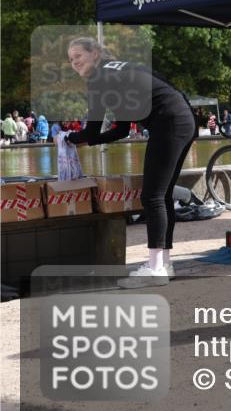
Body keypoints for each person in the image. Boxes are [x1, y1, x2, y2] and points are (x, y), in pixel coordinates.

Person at [65, 37, 196, 288]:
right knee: (163, 195)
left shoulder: (98, 79)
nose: (74, 63)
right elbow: (122, 129)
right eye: (71, 60)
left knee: (153, 197)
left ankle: (155, 269)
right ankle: (164, 264)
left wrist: (68, 138)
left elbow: (91, 131)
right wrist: (86, 142)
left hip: (168, 121)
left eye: (78, 56)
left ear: (95, 54)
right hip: (184, 118)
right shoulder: (118, 71)